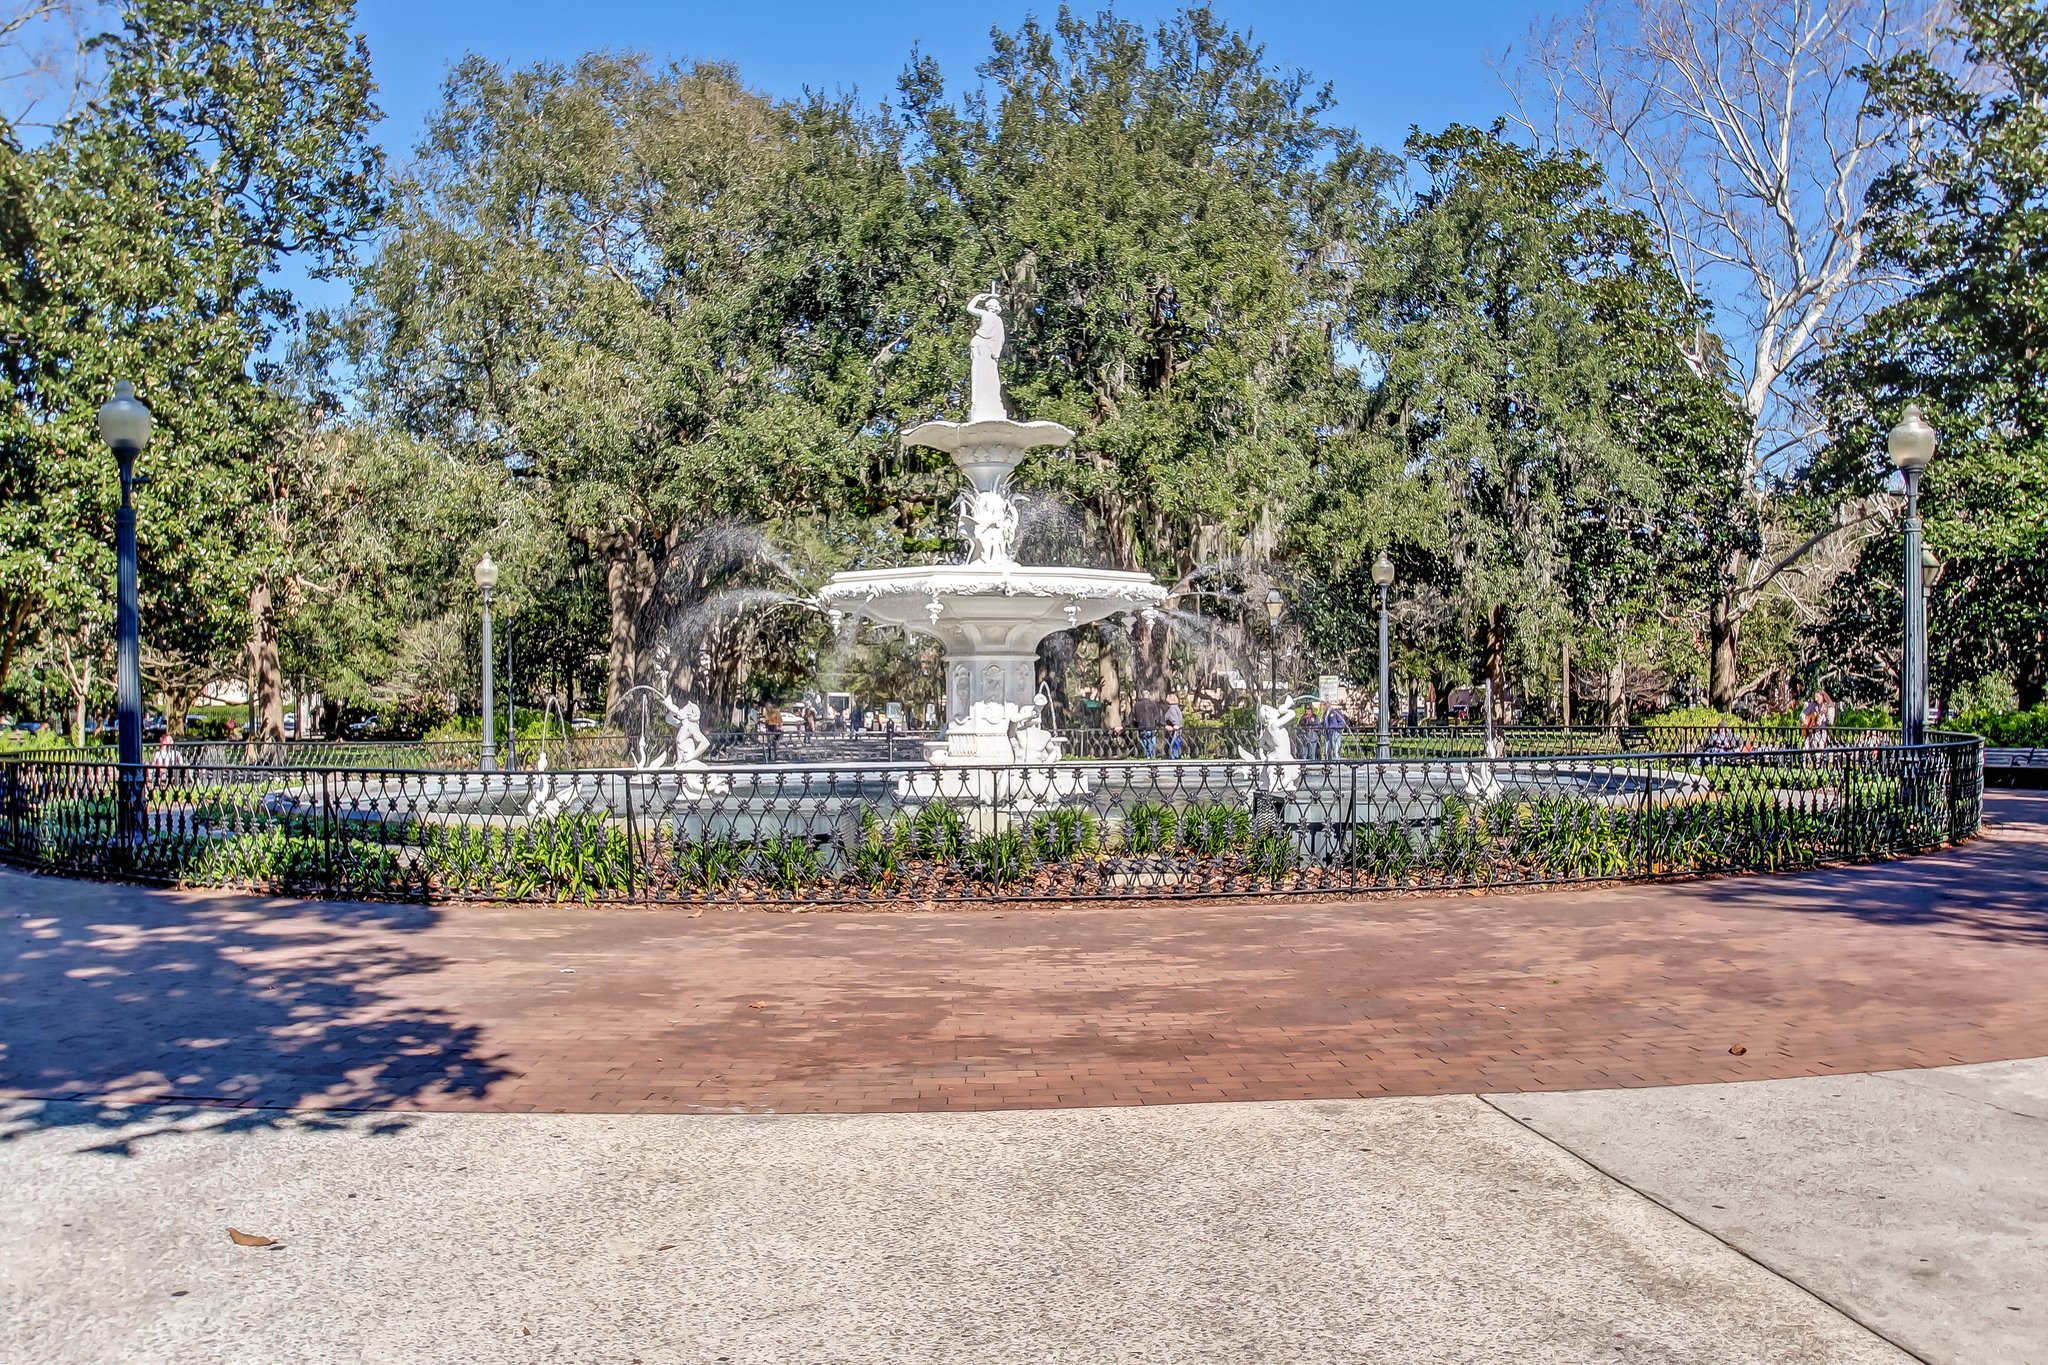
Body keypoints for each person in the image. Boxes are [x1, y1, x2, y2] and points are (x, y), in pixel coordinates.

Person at [1130, 692, 1162, 758]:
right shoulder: (1153, 704)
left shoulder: (1137, 705)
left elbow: (1131, 717)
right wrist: (1163, 725)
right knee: (1152, 743)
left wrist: (1124, 725)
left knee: (1145, 743)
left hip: (1142, 727)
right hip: (1151, 727)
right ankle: (1152, 758)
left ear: (1141, 696)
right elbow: (1157, 717)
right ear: (1149, 696)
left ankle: (1147, 757)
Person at [1163, 692, 1185, 759]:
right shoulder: (1177, 708)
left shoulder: (1172, 708)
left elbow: (1174, 719)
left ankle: (1173, 759)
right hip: (1178, 731)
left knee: (1172, 747)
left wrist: (1174, 725)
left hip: (1173, 731)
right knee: (1175, 746)